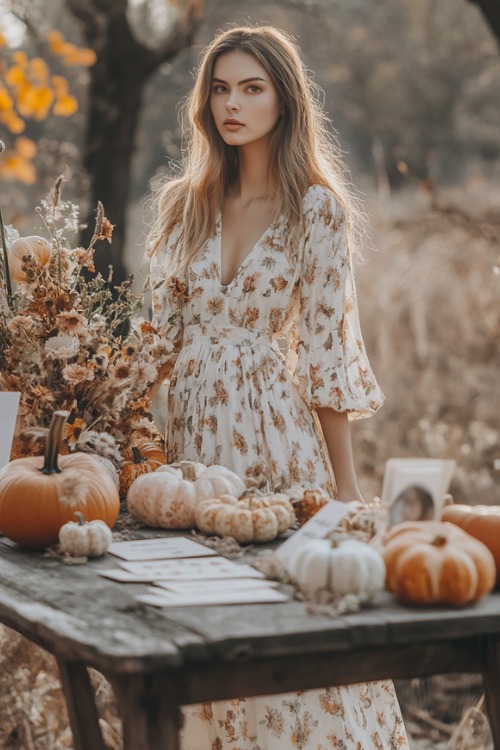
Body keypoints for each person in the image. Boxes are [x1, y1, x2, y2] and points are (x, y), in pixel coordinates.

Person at [148, 24, 409, 750]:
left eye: (252, 88)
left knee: (287, 612)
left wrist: (346, 490)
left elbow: (328, 357)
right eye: (221, 89)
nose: (233, 104)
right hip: (193, 449)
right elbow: (154, 352)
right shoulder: (183, 205)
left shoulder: (315, 210)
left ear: (284, 101)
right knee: (205, 619)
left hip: (276, 438)